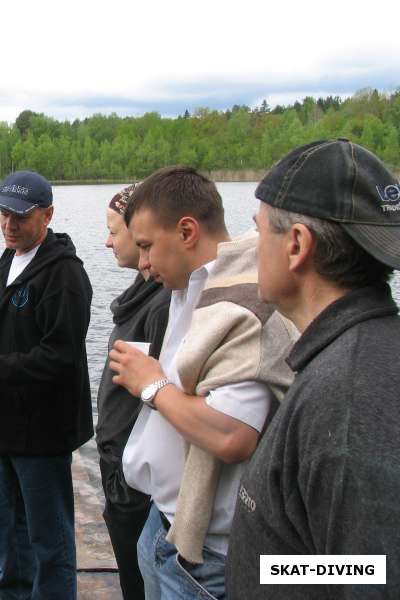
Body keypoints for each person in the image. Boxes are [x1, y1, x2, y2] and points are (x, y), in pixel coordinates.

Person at [108, 166, 297, 599]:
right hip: (164, 528)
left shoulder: (244, 302)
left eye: (147, 247)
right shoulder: (190, 286)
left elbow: (233, 435)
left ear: (187, 231)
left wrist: (151, 385)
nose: (143, 264)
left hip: (206, 558)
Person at [227, 140, 400, 598]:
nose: (253, 246)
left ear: (297, 245)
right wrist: (278, 560)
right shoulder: (351, 354)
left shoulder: (350, 401)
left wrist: (273, 567)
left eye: (260, 231)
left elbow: (372, 572)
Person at [0, 170, 93, 600]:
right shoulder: (9, 260)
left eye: (20, 216)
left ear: (47, 215)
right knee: (4, 523)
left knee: (49, 536)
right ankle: (13, 592)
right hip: (5, 423)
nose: (9, 224)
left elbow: (59, 359)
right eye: (4, 213)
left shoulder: (65, 277)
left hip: (44, 431)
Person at [96, 184, 170, 599]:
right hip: (120, 468)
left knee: (141, 581)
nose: (107, 241)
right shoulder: (143, 298)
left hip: (136, 480)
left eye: (113, 231)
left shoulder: (160, 305)